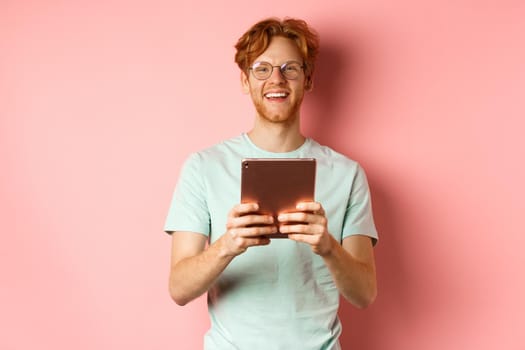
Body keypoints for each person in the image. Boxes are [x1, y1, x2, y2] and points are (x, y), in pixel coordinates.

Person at [164, 17, 378, 350]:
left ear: (307, 80)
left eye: (290, 68)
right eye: (261, 68)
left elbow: (364, 294)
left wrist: (327, 247)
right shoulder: (204, 167)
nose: (276, 79)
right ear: (245, 81)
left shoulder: (347, 174)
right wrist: (228, 245)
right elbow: (179, 288)